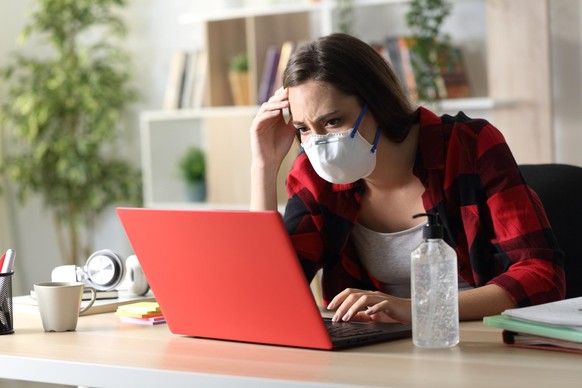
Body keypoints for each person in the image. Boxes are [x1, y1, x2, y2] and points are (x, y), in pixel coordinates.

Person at [249, 33, 565, 324]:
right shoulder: (312, 177)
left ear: (377, 103)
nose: (317, 144)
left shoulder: (468, 144)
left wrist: (417, 308)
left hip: (475, 339)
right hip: (380, 350)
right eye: (304, 128)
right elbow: (269, 293)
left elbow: (543, 275)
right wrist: (263, 166)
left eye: (333, 121)